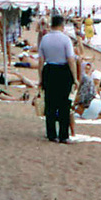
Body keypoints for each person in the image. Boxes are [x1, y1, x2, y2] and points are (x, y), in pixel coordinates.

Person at [38, 15, 76, 143]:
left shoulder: (45, 39)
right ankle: (63, 135)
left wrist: (40, 77)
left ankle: (51, 134)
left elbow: (41, 60)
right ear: (62, 25)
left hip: (49, 70)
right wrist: (75, 77)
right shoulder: (66, 39)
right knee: (64, 104)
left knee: (50, 104)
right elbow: (71, 59)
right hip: (63, 71)